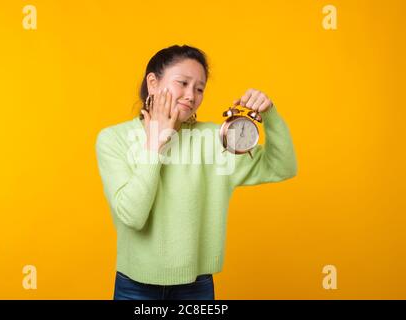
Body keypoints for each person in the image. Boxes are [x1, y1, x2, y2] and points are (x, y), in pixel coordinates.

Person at [95, 44, 298, 300]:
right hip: (134, 287)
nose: (191, 95)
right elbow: (133, 216)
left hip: (195, 288)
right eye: (183, 83)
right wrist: (155, 143)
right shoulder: (113, 139)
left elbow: (282, 166)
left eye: (199, 88)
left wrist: (270, 115)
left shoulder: (214, 139)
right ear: (153, 83)